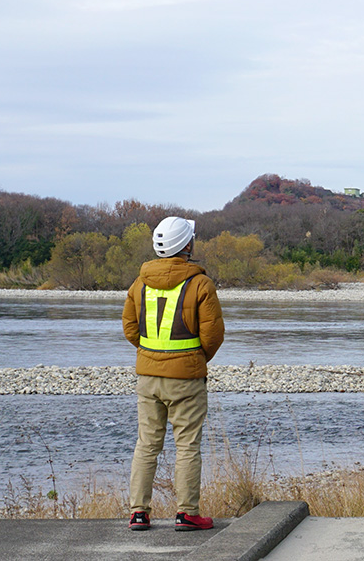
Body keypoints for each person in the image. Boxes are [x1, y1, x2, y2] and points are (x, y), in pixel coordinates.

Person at [122, 216, 224, 531]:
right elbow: (213, 335)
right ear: (187, 245)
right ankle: (187, 513)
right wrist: (194, 359)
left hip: (148, 377)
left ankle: (139, 513)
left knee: (147, 445)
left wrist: (152, 355)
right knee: (187, 445)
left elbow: (129, 328)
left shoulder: (140, 283)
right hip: (187, 380)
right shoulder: (200, 283)